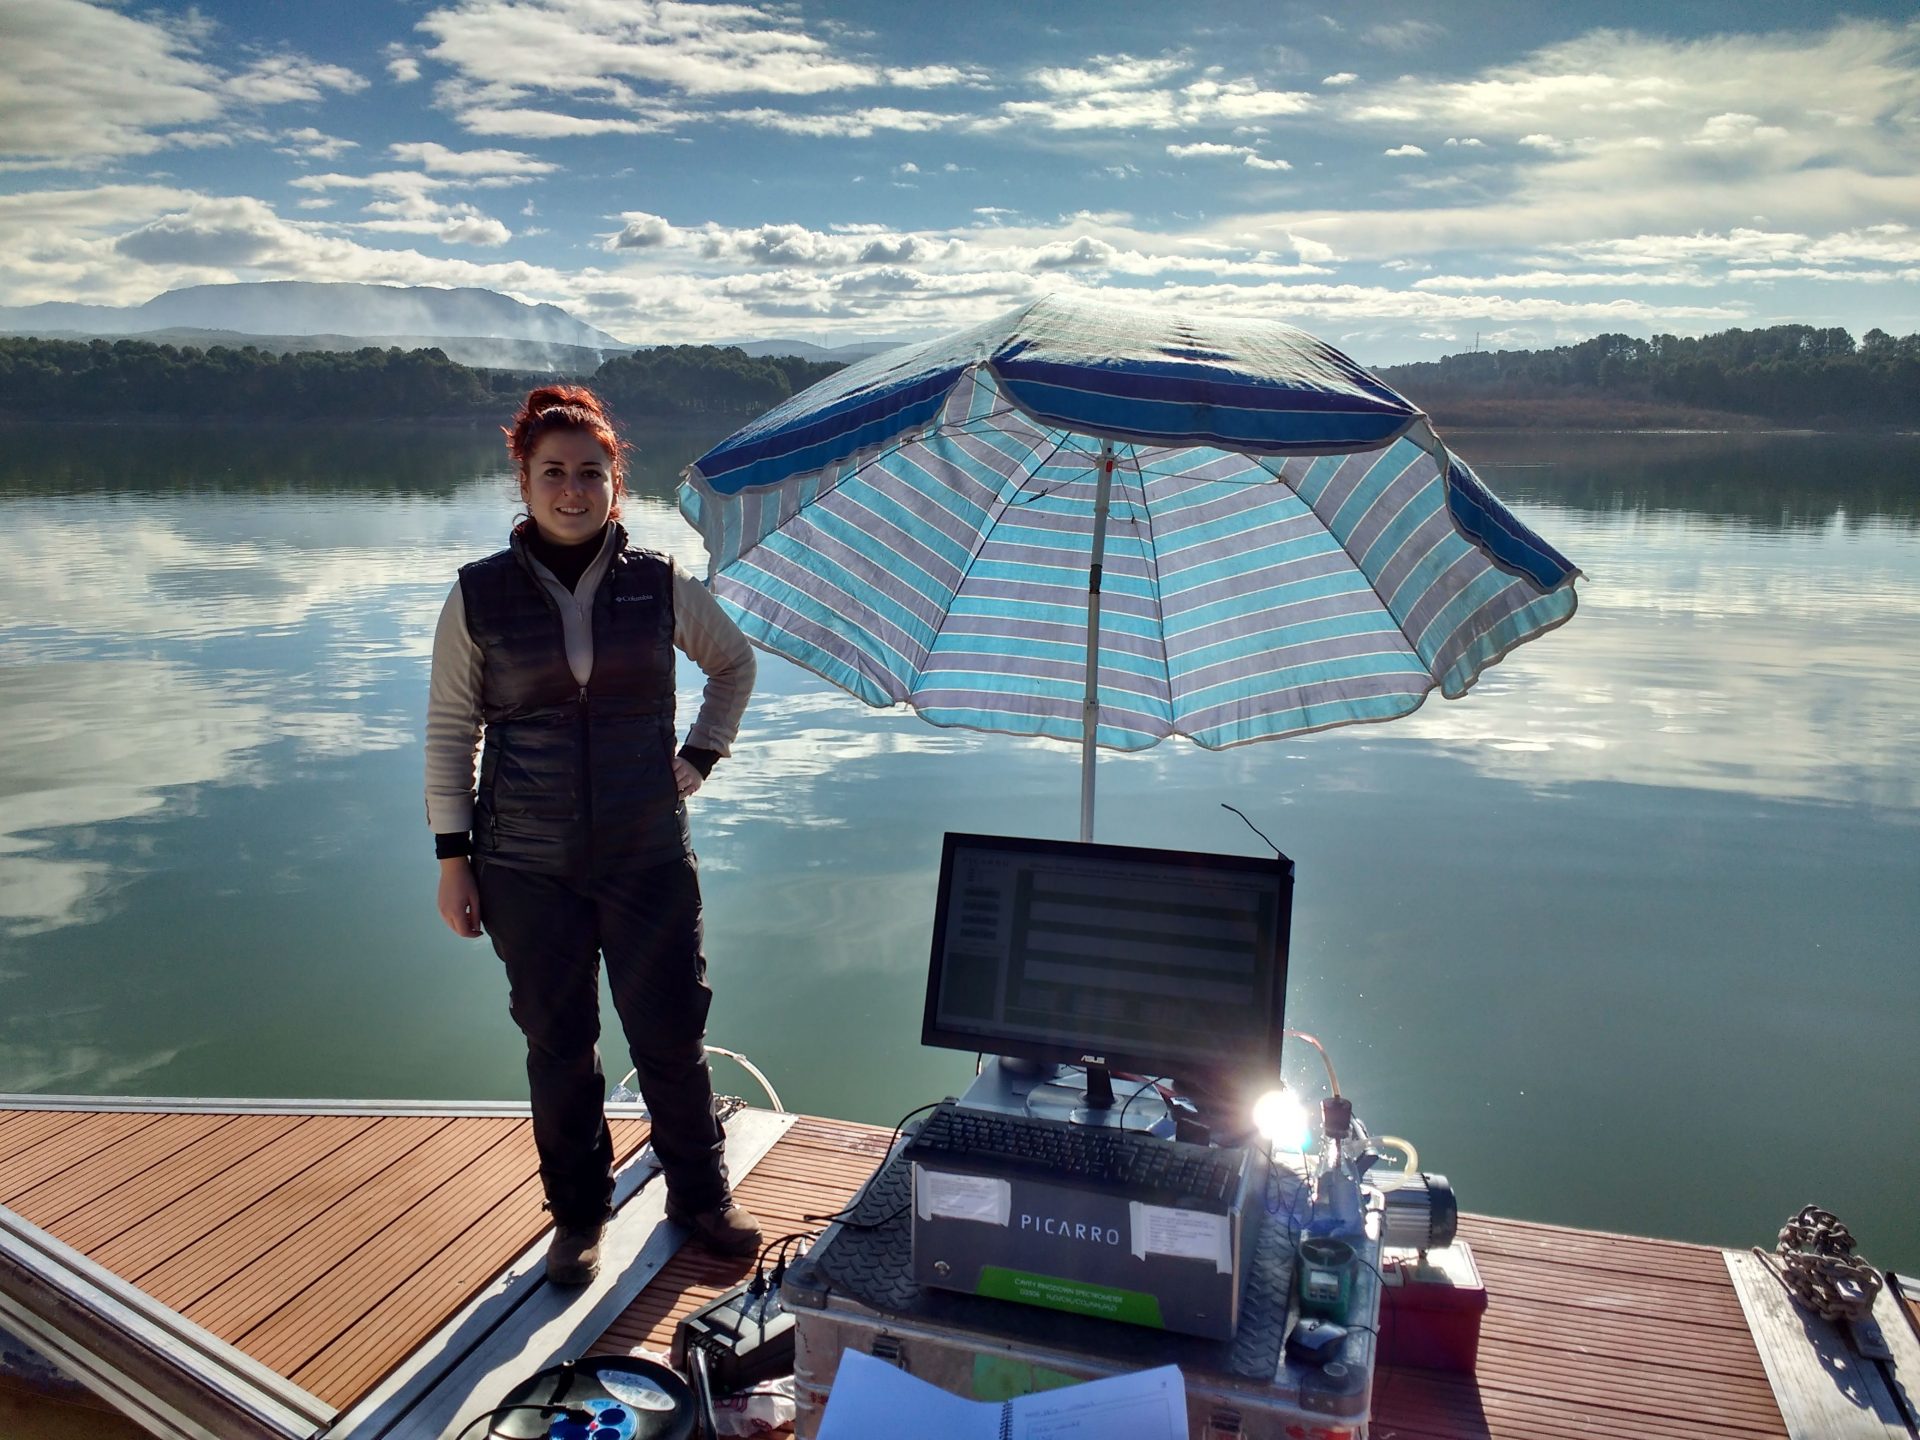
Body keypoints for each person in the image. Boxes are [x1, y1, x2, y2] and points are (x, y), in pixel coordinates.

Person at [425, 384, 760, 1284]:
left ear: (616, 484)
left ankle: (700, 1196)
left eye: (589, 473)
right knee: (560, 1046)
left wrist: (702, 754)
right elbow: (452, 731)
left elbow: (733, 664)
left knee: (670, 1034)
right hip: (523, 863)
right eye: (553, 473)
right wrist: (454, 860)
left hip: (647, 854)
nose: (571, 490)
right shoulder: (479, 594)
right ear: (524, 482)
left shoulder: (659, 583)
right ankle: (577, 1215)